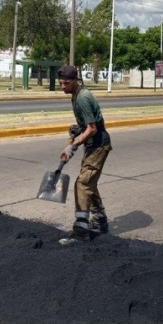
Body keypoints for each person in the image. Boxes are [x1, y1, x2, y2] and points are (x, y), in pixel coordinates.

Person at [56, 65, 112, 246]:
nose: (63, 86)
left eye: (66, 83)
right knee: (89, 182)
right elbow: (87, 124)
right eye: (61, 83)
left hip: (98, 145)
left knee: (82, 183)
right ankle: (100, 220)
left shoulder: (82, 98)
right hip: (92, 145)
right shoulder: (76, 95)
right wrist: (75, 133)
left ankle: (81, 230)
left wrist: (73, 146)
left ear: (75, 81)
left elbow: (92, 128)